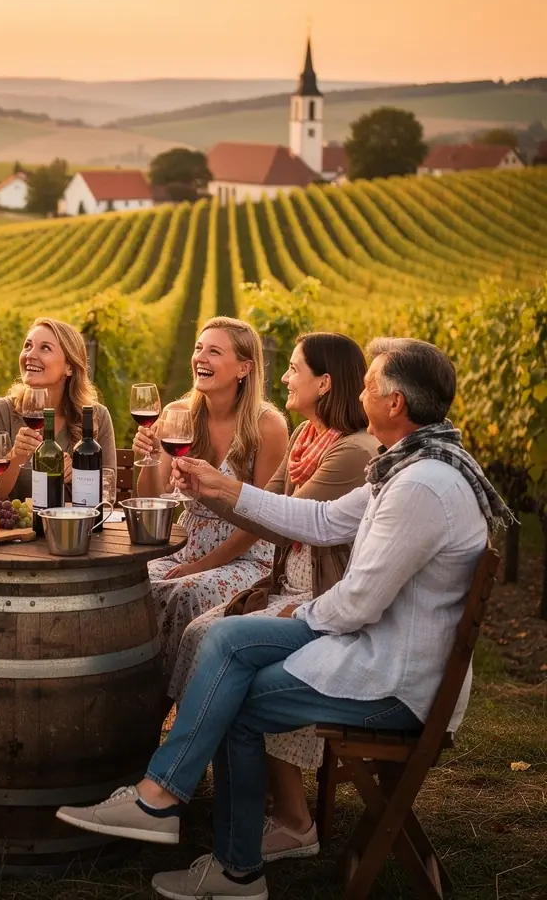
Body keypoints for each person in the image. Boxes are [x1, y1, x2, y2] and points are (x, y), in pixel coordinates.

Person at [56, 338, 509, 900]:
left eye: (371, 383)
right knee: (225, 640)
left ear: (394, 404)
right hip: (379, 648)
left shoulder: (420, 486)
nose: (361, 389)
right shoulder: (410, 466)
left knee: (234, 691)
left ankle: (226, 859)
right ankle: (166, 804)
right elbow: (318, 521)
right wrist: (222, 486)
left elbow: (358, 604)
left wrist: (300, 608)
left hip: (396, 680)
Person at [167, 332, 378, 863]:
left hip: (319, 594)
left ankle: (289, 816)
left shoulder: (351, 452)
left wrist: (219, 487)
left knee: (225, 648)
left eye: (293, 368)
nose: (283, 376)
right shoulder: (310, 436)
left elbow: (287, 523)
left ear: (324, 382)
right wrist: (207, 492)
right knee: (197, 633)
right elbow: (267, 513)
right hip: (289, 582)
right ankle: (226, 785)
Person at [139, 317, 288, 679]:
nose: (200, 357)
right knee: (132, 584)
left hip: (247, 555)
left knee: (187, 592)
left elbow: (264, 520)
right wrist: (149, 457)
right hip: (185, 546)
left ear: (244, 368)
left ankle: (178, 699)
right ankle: (138, 691)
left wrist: (200, 566)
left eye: (214, 351)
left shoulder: (268, 426)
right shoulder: (178, 415)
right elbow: (154, 500)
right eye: (198, 348)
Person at [0, 317, 116, 501]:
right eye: (28, 346)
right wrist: (16, 457)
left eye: (45, 348)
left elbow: (109, 489)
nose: (30, 355)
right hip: (15, 529)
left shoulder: (96, 416)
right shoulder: (0, 411)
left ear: (70, 367)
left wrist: (78, 476)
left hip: (74, 529)